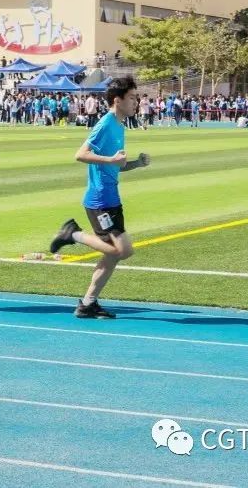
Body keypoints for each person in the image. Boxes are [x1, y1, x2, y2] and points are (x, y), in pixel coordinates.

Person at [49, 77, 150, 318]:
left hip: (112, 199)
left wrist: (135, 163)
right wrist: (111, 160)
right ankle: (73, 233)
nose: (137, 102)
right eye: (133, 97)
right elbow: (80, 154)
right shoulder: (105, 124)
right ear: (118, 100)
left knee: (116, 253)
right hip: (99, 200)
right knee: (119, 251)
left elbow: (116, 165)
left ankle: (87, 303)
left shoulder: (120, 125)